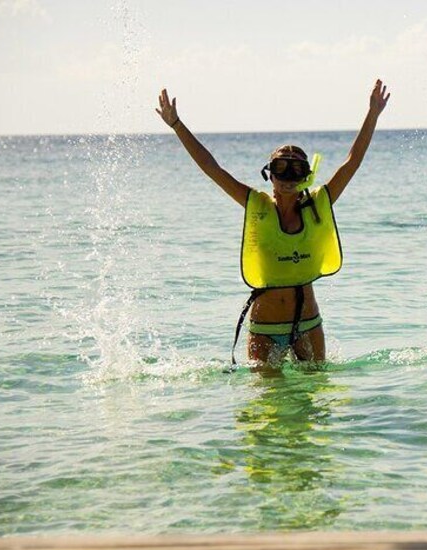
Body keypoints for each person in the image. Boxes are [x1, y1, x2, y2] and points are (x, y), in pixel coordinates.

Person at [155, 80, 390, 367]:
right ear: (270, 175)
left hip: (308, 323)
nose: (288, 176)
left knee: (313, 403)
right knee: (267, 406)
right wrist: (177, 124)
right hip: (264, 327)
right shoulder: (257, 205)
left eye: (296, 169)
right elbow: (212, 168)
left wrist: (373, 114)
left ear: (306, 176)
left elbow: (352, 162)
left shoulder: (317, 205)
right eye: (281, 168)